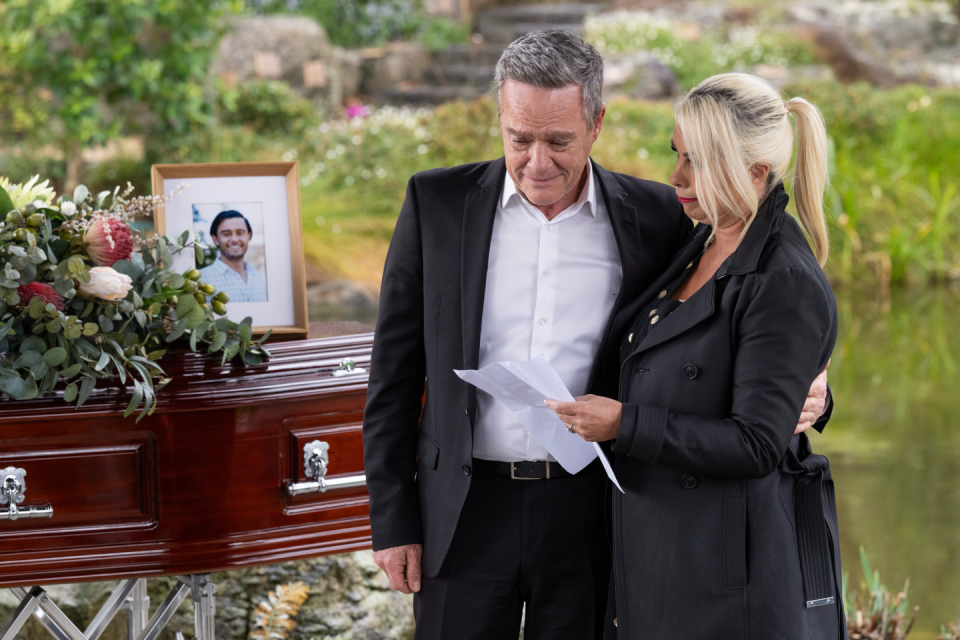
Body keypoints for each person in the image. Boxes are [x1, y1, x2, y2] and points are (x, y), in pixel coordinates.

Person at [363, 31, 830, 640]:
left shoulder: (662, 214)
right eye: (519, 138)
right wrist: (393, 520)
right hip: (462, 511)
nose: (537, 162)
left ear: (597, 122)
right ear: (500, 116)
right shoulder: (436, 203)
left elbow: (750, 319)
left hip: (595, 515)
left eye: (559, 141)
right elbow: (392, 377)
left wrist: (815, 384)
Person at [547, 73, 844, 639]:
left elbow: (758, 443)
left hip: (730, 580)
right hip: (659, 553)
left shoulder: (783, 277)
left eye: (697, 162)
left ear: (755, 174)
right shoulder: (700, 239)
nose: (675, 177)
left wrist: (623, 422)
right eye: (677, 154)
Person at [199, 210, 268, 302]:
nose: (234, 239)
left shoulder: (259, 278)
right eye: (226, 234)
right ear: (215, 239)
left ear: (249, 236)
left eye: (240, 233)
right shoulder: (201, 280)